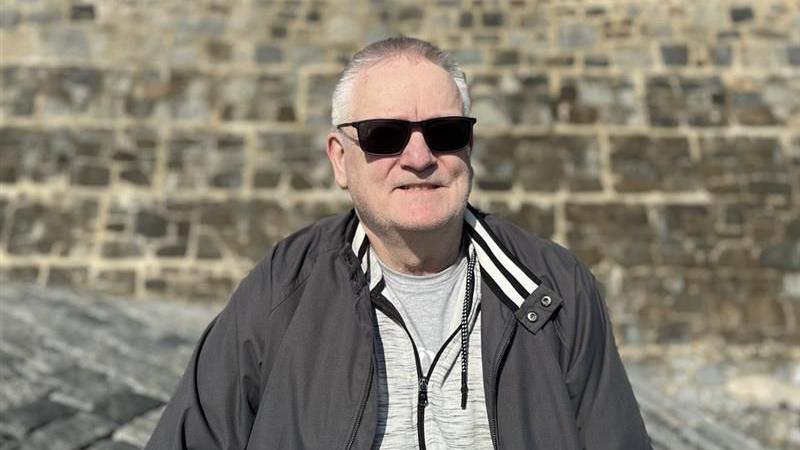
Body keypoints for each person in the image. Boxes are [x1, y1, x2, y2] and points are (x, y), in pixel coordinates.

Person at [146, 37, 651, 449]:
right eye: (385, 134)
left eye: (444, 131)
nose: (418, 157)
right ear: (340, 159)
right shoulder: (283, 291)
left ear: (468, 146)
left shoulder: (555, 290)